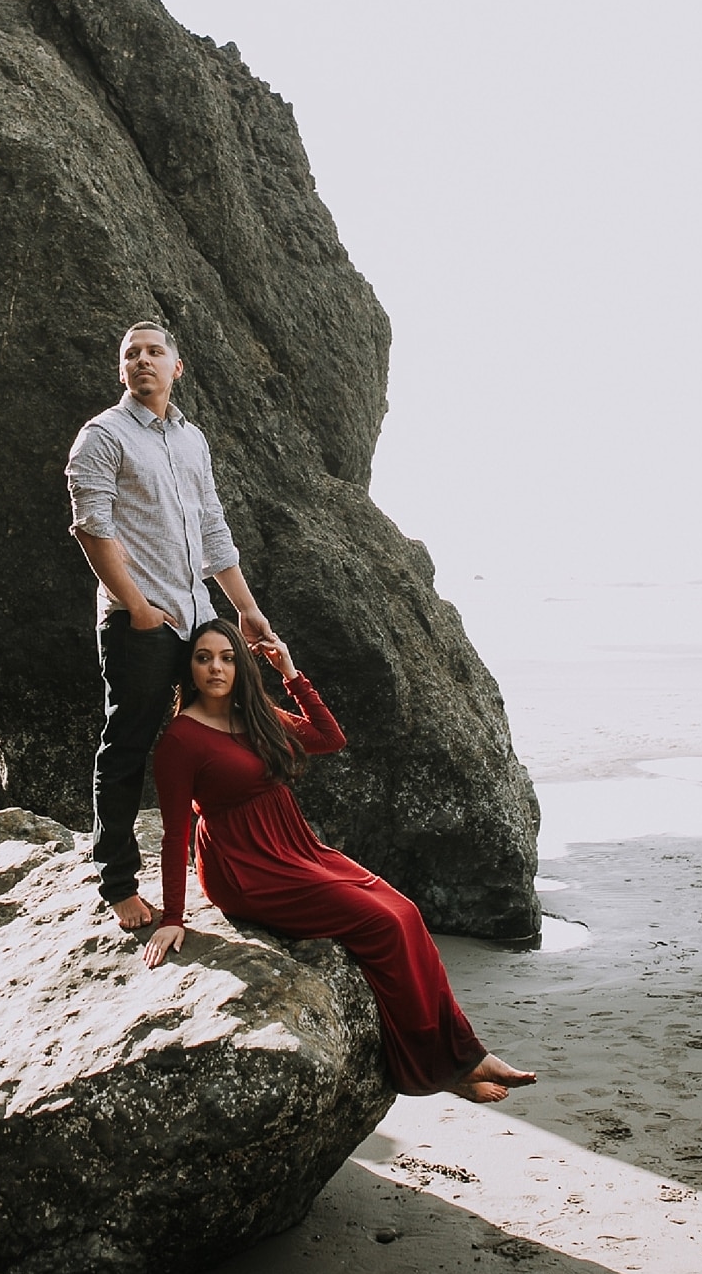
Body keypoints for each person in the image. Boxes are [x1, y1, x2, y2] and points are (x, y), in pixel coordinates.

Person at [144, 618, 536, 1104]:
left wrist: (289, 670)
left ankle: (460, 1053)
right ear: (191, 667)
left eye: (226, 657)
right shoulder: (181, 741)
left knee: (406, 913)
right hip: (245, 868)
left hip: (295, 847)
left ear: (241, 664)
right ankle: (443, 1069)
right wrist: (174, 917)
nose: (216, 668)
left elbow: (330, 738)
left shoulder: (258, 714)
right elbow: (175, 831)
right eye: (204, 658)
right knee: (382, 925)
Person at [66, 323, 275, 930]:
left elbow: (212, 526)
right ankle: (118, 883)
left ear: (177, 368)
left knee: (227, 738)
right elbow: (91, 527)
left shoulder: (191, 440)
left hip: (199, 616)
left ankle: (236, 867)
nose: (142, 361)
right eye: (131, 354)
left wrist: (245, 606)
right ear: (121, 369)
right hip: (142, 623)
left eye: (155, 352)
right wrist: (135, 606)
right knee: (127, 747)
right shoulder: (102, 436)